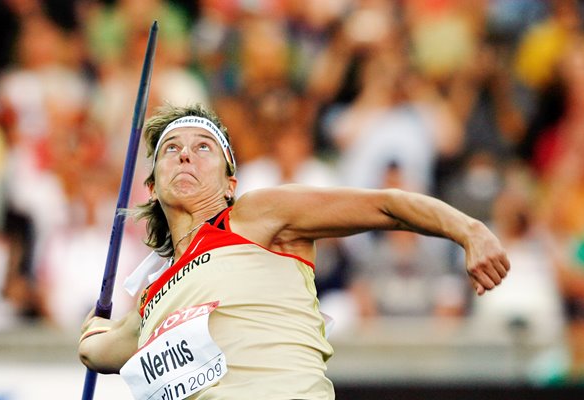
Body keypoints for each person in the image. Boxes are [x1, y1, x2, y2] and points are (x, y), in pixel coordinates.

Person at [78, 103, 510, 400]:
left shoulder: (256, 216)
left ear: (231, 183)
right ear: (152, 187)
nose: (185, 155)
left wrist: (469, 229)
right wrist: (92, 333)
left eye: (202, 147)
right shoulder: (154, 294)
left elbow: (388, 205)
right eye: (171, 150)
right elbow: (105, 350)